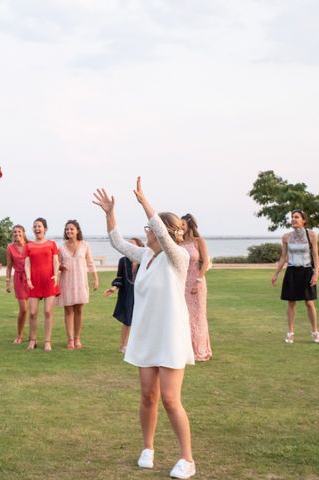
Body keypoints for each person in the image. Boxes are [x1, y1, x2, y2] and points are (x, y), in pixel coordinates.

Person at [93, 177, 196, 479]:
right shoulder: (146, 256)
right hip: (146, 334)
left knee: (170, 398)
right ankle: (148, 448)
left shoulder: (179, 257)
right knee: (147, 395)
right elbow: (117, 242)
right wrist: (110, 212)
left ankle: (187, 459)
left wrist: (144, 202)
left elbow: (163, 233)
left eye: (150, 229)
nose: (146, 232)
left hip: (171, 336)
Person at [271, 209, 319, 344]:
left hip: (307, 271)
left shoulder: (312, 235)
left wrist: (316, 273)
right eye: (292, 217)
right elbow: (283, 257)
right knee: (291, 303)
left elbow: (315, 255)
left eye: (297, 217)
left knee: (309, 303)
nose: (293, 219)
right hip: (292, 271)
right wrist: (276, 274)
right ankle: (290, 333)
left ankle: (315, 332)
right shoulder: (286, 237)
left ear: (303, 220)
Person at [56, 220, 99, 350]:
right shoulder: (61, 247)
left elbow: (90, 263)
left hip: (80, 281)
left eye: (71, 229)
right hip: (67, 281)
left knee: (79, 310)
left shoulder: (85, 245)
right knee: (68, 310)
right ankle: (70, 339)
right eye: (67, 229)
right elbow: (56, 264)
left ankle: (77, 338)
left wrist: (95, 279)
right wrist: (60, 267)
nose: (69, 231)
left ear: (77, 230)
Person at [24, 218, 60, 352]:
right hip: (34, 282)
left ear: (45, 228)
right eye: (34, 226)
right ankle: (33, 340)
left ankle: (47, 341)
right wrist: (28, 278)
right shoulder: (29, 245)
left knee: (48, 311)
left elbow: (56, 262)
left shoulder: (52, 244)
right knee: (32, 313)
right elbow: (27, 263)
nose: (37, 229)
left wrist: (56, 274)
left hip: (49, 280)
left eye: (39, 226)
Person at [104, 238, 145, 353]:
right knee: (127, 320)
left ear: (139, 247)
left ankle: (141, 346)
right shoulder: (123, 261)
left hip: (142, 294)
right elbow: (120, 277)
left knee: (142, 320)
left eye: (132, 245)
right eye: (128, 245)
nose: (129, 247)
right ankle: (123, 345)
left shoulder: (145, 260)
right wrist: (114, 288)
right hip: (127, 293)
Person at [181, 214, 212, 360]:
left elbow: (205, 261)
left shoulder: (198, 241)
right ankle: (185, 349)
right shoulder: (178, 243)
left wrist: (198, 280)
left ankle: (200, 350)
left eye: (182, 225)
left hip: (197, 281)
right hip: (181, 282)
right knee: (184, 315)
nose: (180, 227)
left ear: (189, 225)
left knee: (198, 315)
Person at [5, 225, 29, 344]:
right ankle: (20, 334)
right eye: (14, 232)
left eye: (19, 232)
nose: (17, 234)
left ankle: (32, 335)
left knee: (33, 309)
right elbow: (9, 267)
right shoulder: (10, 248)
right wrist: (7, 283)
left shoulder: (30, 246)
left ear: (24, 233)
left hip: (31, 279)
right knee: (24, 309)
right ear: (12, 234)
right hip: (19, 279)